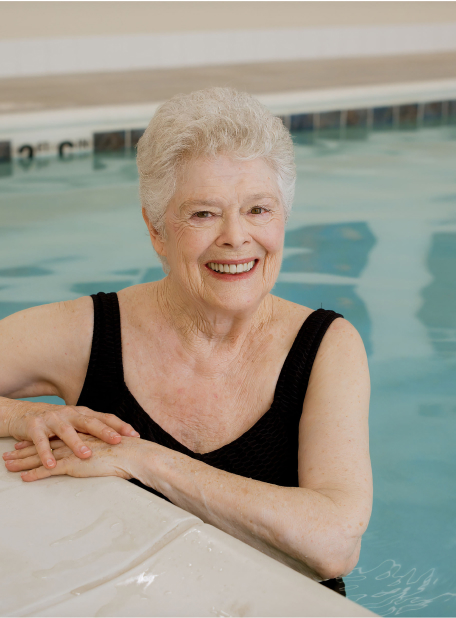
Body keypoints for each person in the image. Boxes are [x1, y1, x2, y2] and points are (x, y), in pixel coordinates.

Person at [0, 87, 372, 592]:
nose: (236, 237)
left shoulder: (326, 345)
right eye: (203, 213)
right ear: (157, 230)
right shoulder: (90, 332)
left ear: (284, 216)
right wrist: (28, 417)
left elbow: (336, 545)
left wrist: (145, 461)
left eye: (259, 209)